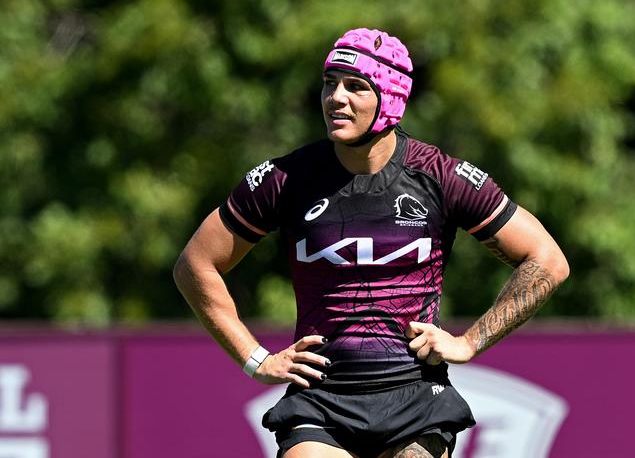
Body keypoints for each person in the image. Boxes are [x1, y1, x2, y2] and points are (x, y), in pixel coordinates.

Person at [173, 28, 569, 458]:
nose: (335, 98)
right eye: (329, 83)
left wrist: (469, 341)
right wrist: (256, 359)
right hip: (320, 400)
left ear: (393, 97)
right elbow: (195, 266)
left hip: (416, 399)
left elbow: (547, 260)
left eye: (355, 87)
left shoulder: (439, 176)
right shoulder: (286, 179)